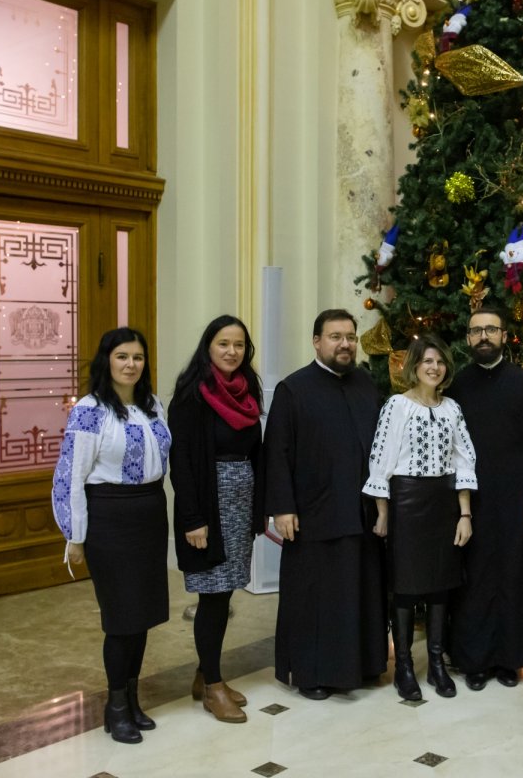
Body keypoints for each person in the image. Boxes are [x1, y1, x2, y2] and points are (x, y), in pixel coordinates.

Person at [51, 327, 171, 745]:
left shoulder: (152, 405)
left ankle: (133, 699)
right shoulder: (89, 410)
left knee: (141, 616)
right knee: (121, 619)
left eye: (138, 357)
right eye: (122, 356)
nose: (131, 364)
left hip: (150, 515)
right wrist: (75, 534)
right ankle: (115, 706)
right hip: (109, 519)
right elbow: (71, 475)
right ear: (107, 361)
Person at [265, 309, 387, 700]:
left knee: (360, 593)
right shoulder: (294, 389)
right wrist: (283, 508)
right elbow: (276, 454)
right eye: (335, 337)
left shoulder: (366, 384)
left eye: (350, 337)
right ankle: (313, 673)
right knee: (316, 598)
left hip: (362, 513)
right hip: (313, 515)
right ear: (316, 341)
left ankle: (364, 665)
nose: (345, 344)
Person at [364, 334, 478, 700]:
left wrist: (465, 514)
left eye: (440, 361)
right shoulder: (397, 406)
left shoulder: (453, 409)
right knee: (406, 586)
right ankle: (406, 669)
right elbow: (381, 461)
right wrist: (383, 513)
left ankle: (436, 664)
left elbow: (464, 461)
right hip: (407, 502)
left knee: (441, 583)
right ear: (414, 367)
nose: (434, 367)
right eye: (427, 361)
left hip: (444, 503)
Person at [168, 315, 265, 724]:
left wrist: (258, 509)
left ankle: (204, 674)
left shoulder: (248, 391)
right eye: (223, 343)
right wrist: (193, 518)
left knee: (225, 593)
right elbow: (182, 464)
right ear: (208, 346)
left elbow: (256, 453)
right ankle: (213, 688)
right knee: (212, 595)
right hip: (207, 506)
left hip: (241, 502)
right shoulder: (192, 395)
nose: (231, 351)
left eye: (239, 345)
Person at [447, 307, 523, 690]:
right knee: (473, 578)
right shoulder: (457, 385)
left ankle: (510, 659)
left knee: (512, 575)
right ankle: (474, 661)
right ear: (469, 339)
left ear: (505, 336)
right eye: (476, 331)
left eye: (491, 329)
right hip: (469, 499)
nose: (483, 336)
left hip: (515, 496)